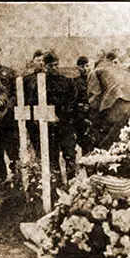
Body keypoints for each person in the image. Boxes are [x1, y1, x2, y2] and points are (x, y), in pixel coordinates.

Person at [27, 51, 79, 180]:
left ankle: (73, 183)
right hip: (48, 127)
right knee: (52, 156)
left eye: (56, 65)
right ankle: (56, 184)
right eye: (50, 66)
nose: (54, 68)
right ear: (45, 66)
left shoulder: (67, 82)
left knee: (69, 154)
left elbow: (73, 101)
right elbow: (34, 103)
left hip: (65, 124)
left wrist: (61, 116)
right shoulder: (39, 83)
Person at [88, 51, 130, 149]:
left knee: (109, 146)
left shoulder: (96, 71)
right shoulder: (122, 70)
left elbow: (95, 97)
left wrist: (93, 117)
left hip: (119, 107)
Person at [0, 42, 19, 182]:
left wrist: (5, 108)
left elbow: (14, 94)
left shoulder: (9, 72)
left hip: (8, 116)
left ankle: (17, 175)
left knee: (12, 146)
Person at [73, 56, 94, 155]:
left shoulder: (94, 79)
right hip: (82, 115)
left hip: (94, 113)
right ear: (78, 68)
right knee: (84, 141)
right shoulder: (76, 82)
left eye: (87, 66)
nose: (85, 69)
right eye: (82, 67)